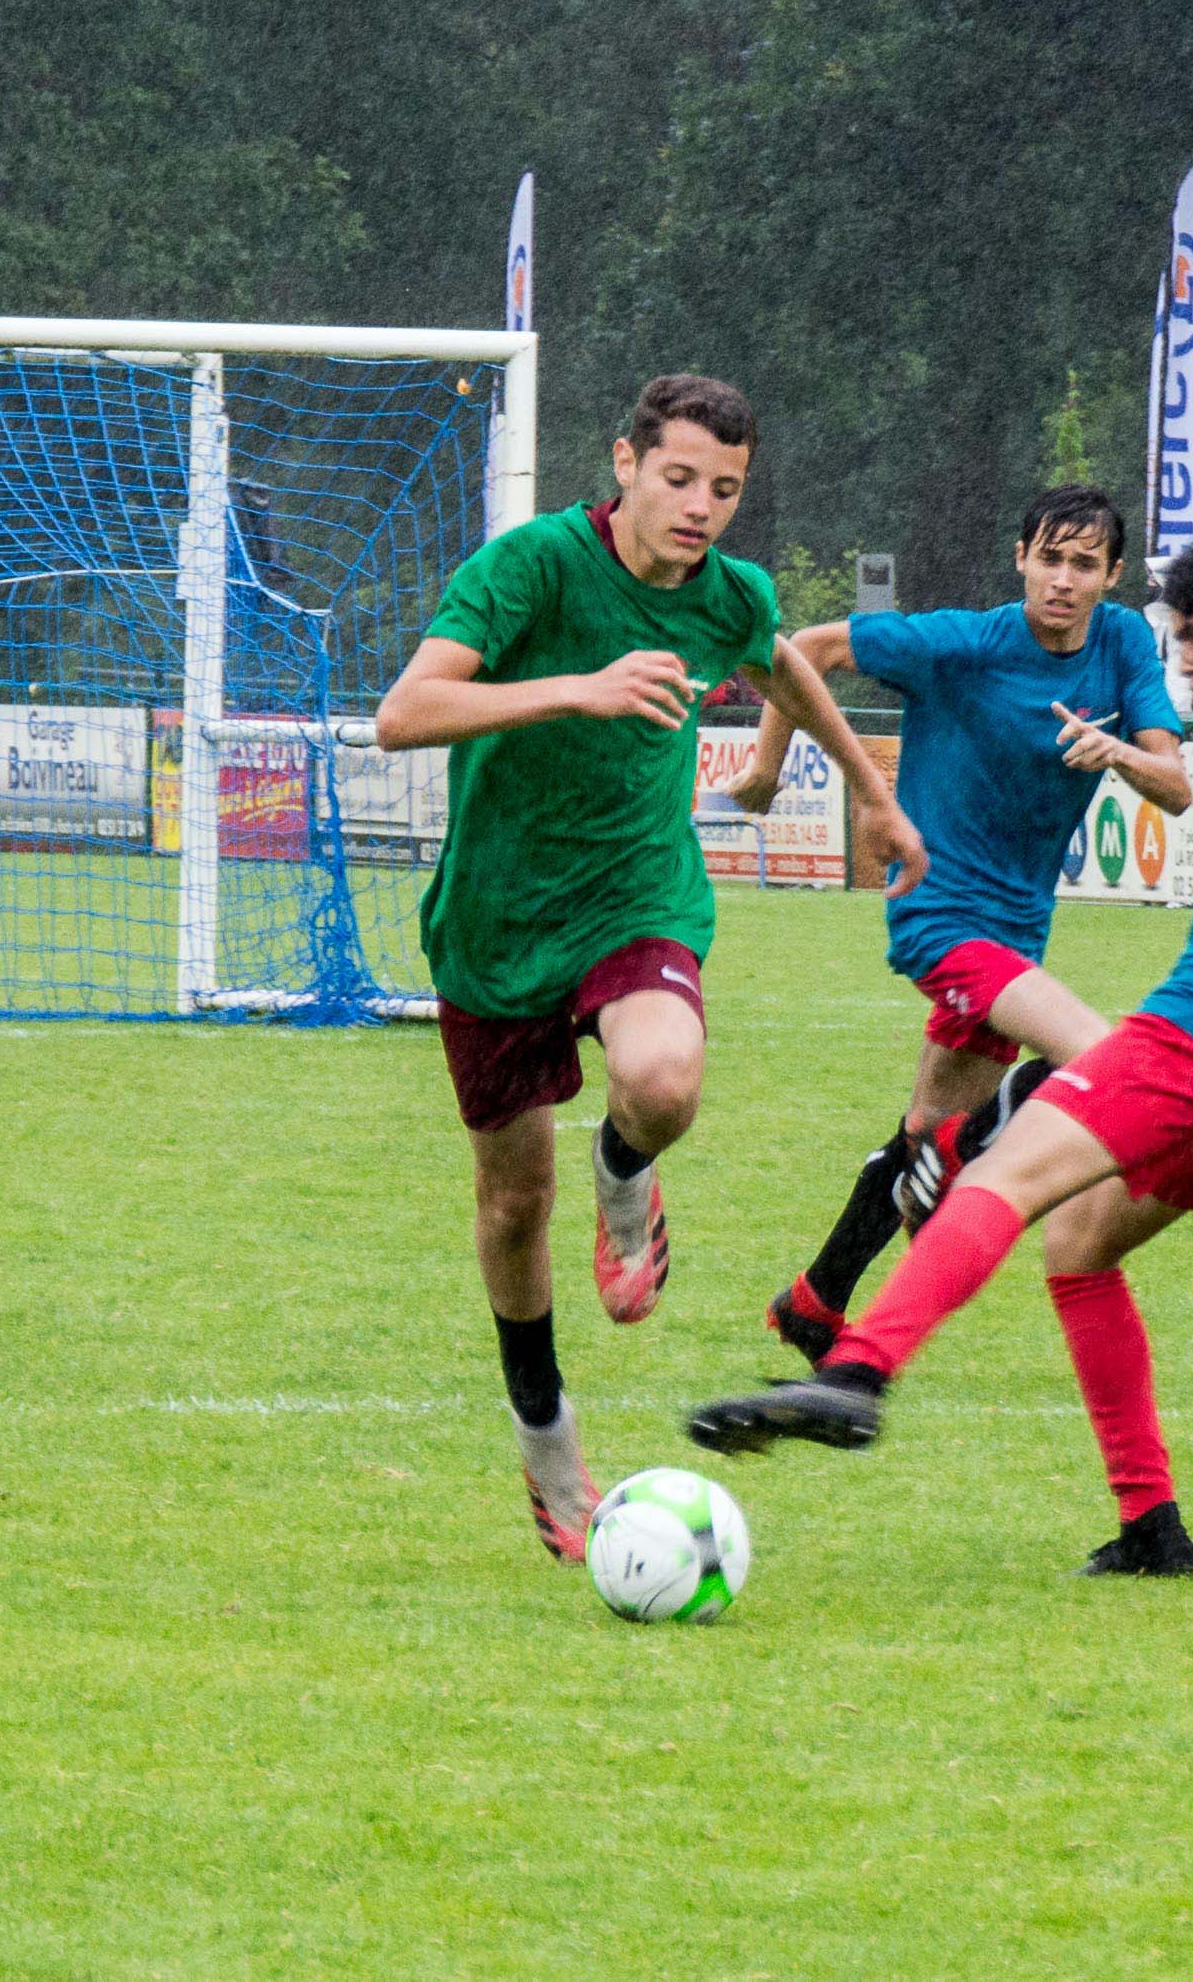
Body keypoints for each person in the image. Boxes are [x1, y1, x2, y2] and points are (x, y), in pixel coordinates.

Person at [683, 525, 1193, 1576]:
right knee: (1080, 1249)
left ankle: (854, 1374)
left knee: (1011, 1169)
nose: (1189, 662)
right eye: (1178, 639)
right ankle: (1152, 1532)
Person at [369, 372, 927, 1564]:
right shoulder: (526, 568)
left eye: (724, 489)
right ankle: (546, 1435)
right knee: (514, 1205)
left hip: (636, 897)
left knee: (665, 1081)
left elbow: (781, 663)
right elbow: (403, 713)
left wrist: (869, 795)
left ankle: (626, 1176)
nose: (701, 508)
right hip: (496, 923)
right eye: (678, 478)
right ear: (623, 463)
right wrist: (581, 685)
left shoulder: (728, 593)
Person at [730, 484, 1188, 1366]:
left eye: (1083, 564)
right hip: (938, 917)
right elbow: (805, 649)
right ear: (1020, 558)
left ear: (1112, 574)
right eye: (1048, 558)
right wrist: (764, 764)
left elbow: (1174, 785)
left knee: (920, 1136)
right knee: (1098, 1059)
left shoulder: (1125, 641)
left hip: (1018, 932)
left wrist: (1121, 750)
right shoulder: (962, 643)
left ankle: (816, 1301)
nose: (1063, 579)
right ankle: (956, 1150)